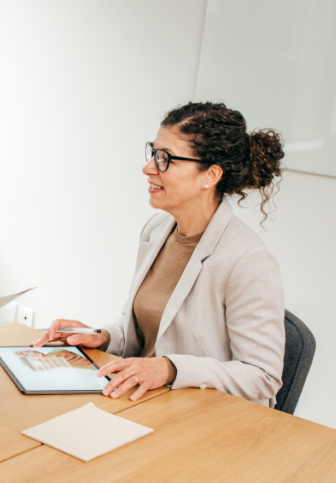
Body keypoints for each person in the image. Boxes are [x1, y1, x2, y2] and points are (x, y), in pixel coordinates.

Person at [34, 102, 286, 406]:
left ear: (210, 175)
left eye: (165, 158)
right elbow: (144, 336)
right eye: (153, 153)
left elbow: (263, 377)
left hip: (207, 418)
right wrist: (102, 336)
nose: (149, 168)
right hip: (147, 401)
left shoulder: (248, 259)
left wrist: (170, 368)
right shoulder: (156, 230)